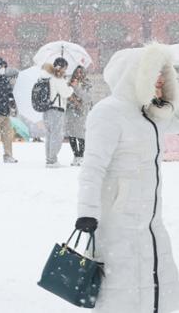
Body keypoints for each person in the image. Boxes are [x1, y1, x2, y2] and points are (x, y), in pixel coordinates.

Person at [76, 43, 179, 313]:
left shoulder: (154, 115)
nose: (160, 81)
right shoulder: (108, 112)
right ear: (136, 74)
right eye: (154, 74)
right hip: (117, 224)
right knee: (121, 295)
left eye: (163, 75)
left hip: (151, 224)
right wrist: (87, 212)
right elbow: (92, 167)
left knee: (159, 289)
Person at [40, 57, 73, 168]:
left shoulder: (47, 77)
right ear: (61, 67)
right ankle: (52, 160)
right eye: (65, 68)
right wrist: (71, 87)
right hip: (56, 110)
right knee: (56, 136)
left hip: (47, 110)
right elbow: (66, 93)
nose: (66, 70)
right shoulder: (58, 79)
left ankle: (49, 158)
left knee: (49, 135)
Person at [64, 65, 92, 166]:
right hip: (71, 111)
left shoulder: (87, 83)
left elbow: (87, 98)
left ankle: (81, 155)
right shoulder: (69, 83)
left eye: (81, 72)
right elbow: (65, 95)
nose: (79, 74)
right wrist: (71, 98)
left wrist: (76, 87)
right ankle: (75, 155)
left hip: (82, 112)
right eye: (77, 72)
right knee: (71, 134)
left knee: (80, 134)